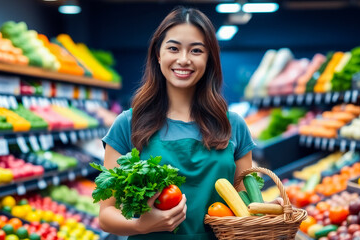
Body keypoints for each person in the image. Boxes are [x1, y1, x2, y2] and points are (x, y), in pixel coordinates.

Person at [99, 6, 256, 240]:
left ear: (209, 58)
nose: (184, 60)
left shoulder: (233, 125)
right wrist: (140, 226)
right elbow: (106, 214)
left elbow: (247, 207)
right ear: (158, 55)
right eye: (173, 48)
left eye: (196, 51)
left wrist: (266, 209)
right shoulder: (128, 124)